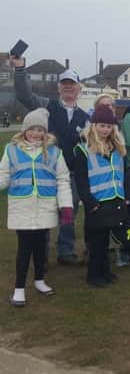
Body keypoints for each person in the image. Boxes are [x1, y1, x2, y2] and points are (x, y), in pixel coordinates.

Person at [11, 56, 89, 266]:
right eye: (64, 84)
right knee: (44, 213)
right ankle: (41, 255)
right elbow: (24, 95)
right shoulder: (47, 106)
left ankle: (65, 251)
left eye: (72, 84)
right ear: (58, 88)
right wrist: (19, 69)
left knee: (68, 212)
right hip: (46, 172)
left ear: (78, 88)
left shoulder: (85, 117)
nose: (68, 88)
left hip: (71, 175)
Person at [0, 108, 73, 306]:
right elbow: (4, 175)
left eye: (40, 129)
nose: (36, 133)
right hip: (22, 206)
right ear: (24, 130)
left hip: (45, 206)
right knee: (25, 248)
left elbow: (63, 179)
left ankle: (40, 280)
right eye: (32, 129)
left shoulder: (55, 152)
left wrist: (66, 206)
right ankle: (19, 288)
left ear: (45, 132)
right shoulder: (12, 150)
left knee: (42, 245)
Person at [74, 105, 128, 287]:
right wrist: (90, 202)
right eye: (101, 125)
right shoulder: (82, 150)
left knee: (106, 239)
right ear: (93, 125)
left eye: (109, 126)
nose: (105, 129)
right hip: (96, 201)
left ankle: (105, 270)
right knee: (96, 240)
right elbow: (81, 180)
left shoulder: (117, 148)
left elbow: (122, 173)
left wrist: (124, 196)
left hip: (114, 198)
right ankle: (93, 274)